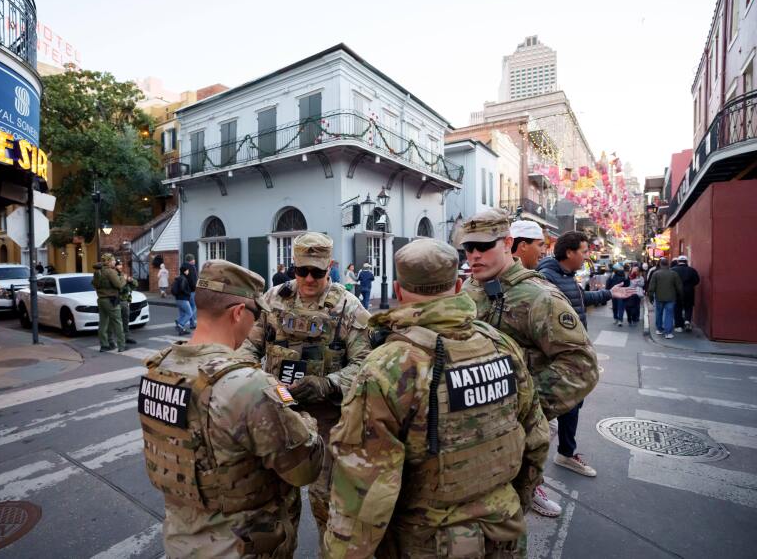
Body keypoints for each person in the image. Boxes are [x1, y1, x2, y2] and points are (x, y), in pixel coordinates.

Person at [324, 238, 549, 558]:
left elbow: (365, 486)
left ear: (399, 291)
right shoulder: (501, 345)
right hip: (505, 531)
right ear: (458, 285)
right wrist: (514, 503)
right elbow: (536, 438)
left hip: (428, 543)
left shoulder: (389, 366)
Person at [140, 259, 324, 558]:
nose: (256, 325)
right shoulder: (247, 385)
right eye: (255, 315)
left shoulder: (158, 368)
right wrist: (302, 416)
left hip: (181, 542)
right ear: (239, 313)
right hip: (242, 547)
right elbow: (306, 468)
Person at [460, 209, 600, 518]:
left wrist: (527, 406)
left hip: (514, 425)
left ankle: (531, 487)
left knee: (506, 515)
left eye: (484, 246)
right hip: (472, 423)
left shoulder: (537, 295)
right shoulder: (471, 288)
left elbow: (582, 365)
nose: (474, 255)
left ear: (508, 243)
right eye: (468, 248)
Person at [240, 232, 371, 543]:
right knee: (272, 505)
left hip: (327, 423)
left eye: (318, 272)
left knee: (327, 504)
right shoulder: (273, 300)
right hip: (278, 414)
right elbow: (248, 347)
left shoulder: (347, 307)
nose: (309, 279)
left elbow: (366, 367)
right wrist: (255, 381)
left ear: (330, 268)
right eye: (302, 271)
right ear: (293, 267)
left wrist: (327, 384)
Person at [536, 231, 634, 478]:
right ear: (569, 253)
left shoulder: (565, 275)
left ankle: (565, 453)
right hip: (557, 356)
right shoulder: (548, 277)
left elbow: (580, 298)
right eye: (583, 251)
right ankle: (536, 471)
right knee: (555, 409)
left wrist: (610, 294)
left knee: (573, 404)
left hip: (572, 354)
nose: (586, 256)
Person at [91, 253, 126, 353]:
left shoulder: (98, 272)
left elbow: (94, 284)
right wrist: (123, 277)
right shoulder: (111, 272)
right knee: (118, 322)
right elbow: (119, 285)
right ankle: (121, 345)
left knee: (103, 323)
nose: (115, 262)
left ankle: (104, 345)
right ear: (109, 261)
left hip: (101, 299)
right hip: (111, 300)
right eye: (113, 260)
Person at [648, 257, 682, 339]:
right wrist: (680, 296)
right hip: (671, 298)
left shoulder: (656, 274)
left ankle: (659, 329)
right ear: (668, 264)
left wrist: (651, 297)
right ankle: (668, 332)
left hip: (659, 297)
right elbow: (679, 287)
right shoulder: (674, 274)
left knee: (659, 313)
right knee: (669, 315)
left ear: (660, 264)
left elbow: (651, 287)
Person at [671, 255, 700, 332]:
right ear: (686, 261)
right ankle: (687, 321)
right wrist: (690, 286)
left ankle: (679, 326)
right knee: (688, 307)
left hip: (677, 292)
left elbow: (670, 282)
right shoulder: (692, 270)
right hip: (689, 291)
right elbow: (697, 280)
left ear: (678, 261)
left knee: (677, 308)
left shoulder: (673, 270)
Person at [116, 261, 138, 344]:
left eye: (121, 264)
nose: (120, 266)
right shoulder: (114, 276)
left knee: (125, 320)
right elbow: (119, 287)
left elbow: (135, 284)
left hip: (125, 301)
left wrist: (130, 280)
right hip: (117, 301)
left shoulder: (123, 275)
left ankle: (127, 337)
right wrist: (124, 280)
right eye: (118, 265)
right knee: (116, 322)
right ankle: (117, 339)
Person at [171, 265, 194, 335]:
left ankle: (179, 324)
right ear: (184, 271)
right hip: (183, 299)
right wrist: (188, 293)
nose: (188, 271)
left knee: (183, 314)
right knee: (190, 313)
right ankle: (180, 325)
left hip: (178, 299)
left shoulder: (178, 278)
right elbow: (182, 288)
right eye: (187, 270)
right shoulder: (183, 278)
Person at [184, 254, 198, 330]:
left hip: (187, 290)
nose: (194, 260)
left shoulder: (185, 267)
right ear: (191, 260)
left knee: (190, 307)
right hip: (192, 291)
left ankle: (192, 323)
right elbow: (192, 280)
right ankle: (182, 321)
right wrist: (195, 288)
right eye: (193, 259)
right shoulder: (191, 268)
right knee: (193, 307)